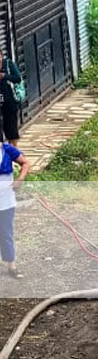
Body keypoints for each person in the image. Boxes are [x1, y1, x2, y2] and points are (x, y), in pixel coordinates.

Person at [0, 141, 30, 278]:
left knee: (6, 233)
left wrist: (20, 179)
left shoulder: (7, 150)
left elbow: (25, 163)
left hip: (6, 201)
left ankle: (11, 265)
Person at [0, 51, 22, 147]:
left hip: (10, 103)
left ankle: (14, 155)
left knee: (11, 131)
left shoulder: (8, 64)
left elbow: (18, 78)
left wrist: (5, 76)